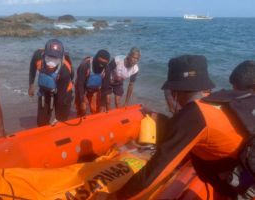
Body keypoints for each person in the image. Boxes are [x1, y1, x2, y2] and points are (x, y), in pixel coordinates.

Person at [116, 55, 252, 199]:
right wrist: (159, 118)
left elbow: (154, 172)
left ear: (175, 92)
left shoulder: (194, 115)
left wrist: (118, 195)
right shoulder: (221, 101)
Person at [28, 39, 74, 126]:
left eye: (55, 60)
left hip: (63, 91)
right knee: (41, 122)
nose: (50, 65)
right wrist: (31, 85)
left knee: (61, 120)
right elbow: (32, 69)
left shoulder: (65, 70)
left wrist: (58, 118)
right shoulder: (38, 55)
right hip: (45, 88)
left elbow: (60, 97)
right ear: (44, 54)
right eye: (49, 59)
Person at [75, 49, 110, 116]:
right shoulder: (85, 65)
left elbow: (105, 88)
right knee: (82, 108)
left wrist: (102, 104)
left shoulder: (107, 69)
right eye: (99, 62)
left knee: (96, 109)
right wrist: (82, 100)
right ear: (96, 58)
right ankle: (80, 118)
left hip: (95, 89)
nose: (101, 65)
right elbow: (80, 84)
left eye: (103, 63)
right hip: (82, 86)